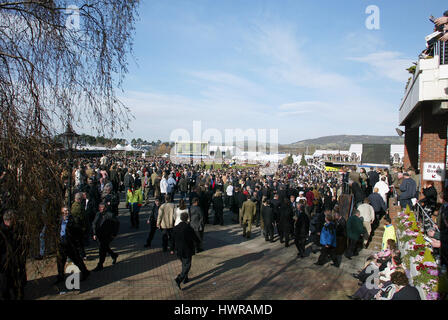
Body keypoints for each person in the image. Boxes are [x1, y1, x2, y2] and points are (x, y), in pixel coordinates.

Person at [55, 207, 90, 285]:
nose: (66, 212)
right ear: (61, 212)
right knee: (60, 261)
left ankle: (85, 272)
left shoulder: (73, 220)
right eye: (65, 211)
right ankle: (60, 275)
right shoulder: (59, 221)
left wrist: (76, 241)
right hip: (61, 244)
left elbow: (78, 231)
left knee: (76, 259)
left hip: (70, 244)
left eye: (67, 210)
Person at [173, 212, 201, 290]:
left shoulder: (175, 228)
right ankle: (179, 279)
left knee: (184, 263)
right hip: (187, 249)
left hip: (179, 250)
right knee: (187, 265)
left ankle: (185, 278)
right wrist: (198, 243)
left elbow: (172, 239)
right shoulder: (188, 228)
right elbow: (195, 238)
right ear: (187, 218)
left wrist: (172, 248)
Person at [91, 203, 119, 271]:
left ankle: (100, 265)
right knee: (104, 247)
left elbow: (117, 224)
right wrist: (94, 233)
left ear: (105, 208)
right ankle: (114, 255)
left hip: (107, 235)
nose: (101, 209)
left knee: (102, 249)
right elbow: (94, 223)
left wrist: (114, 234)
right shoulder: (98, 214)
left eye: (102, 208)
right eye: (100, 208)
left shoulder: (110, 215)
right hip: (99, 235)